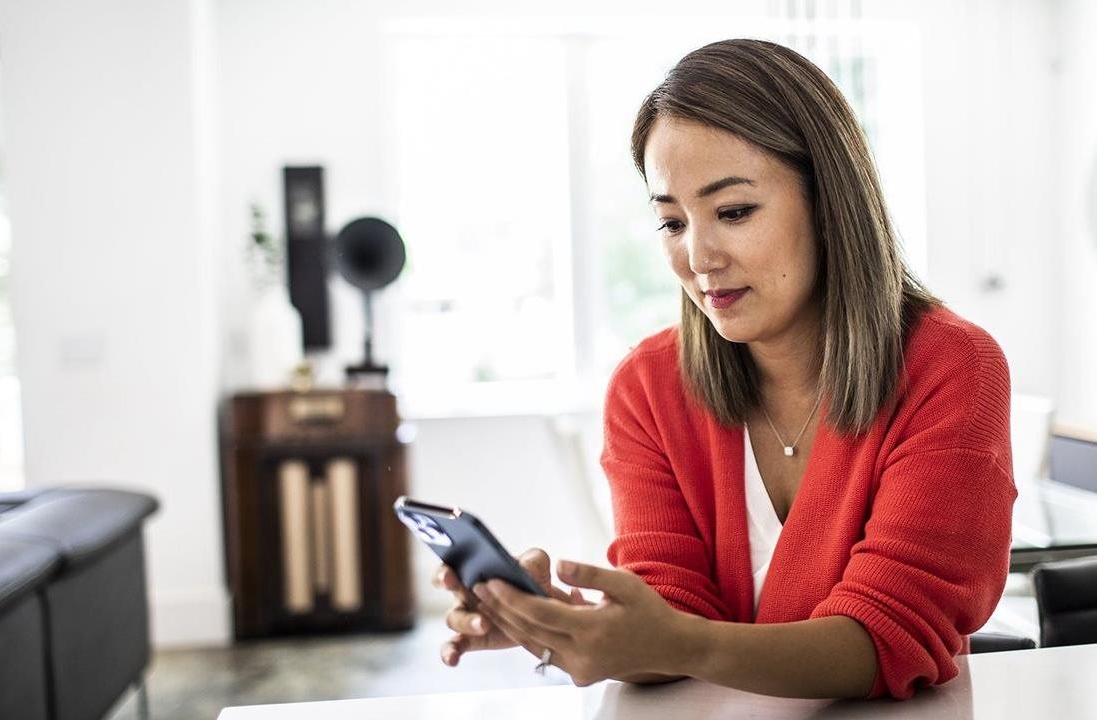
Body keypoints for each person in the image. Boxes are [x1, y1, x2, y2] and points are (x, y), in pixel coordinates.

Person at [431, 38, 1015, 701]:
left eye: (733, 212)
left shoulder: (951, 368)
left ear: (829, 204)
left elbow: (890, 635)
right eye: (671, 222)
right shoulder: (647, 388)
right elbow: (669, 614)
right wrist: (564, 623)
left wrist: (678, 642)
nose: (699, 257)